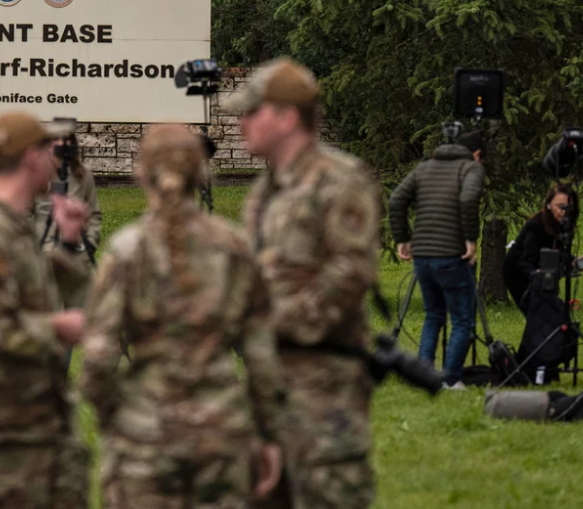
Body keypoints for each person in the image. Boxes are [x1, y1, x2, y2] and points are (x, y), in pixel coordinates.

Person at [79, 125, 284, 509]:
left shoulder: (127, 251)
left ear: (143, 174)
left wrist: (117, 417)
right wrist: (268, 433)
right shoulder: (234, 246)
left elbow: (97, 360)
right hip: (221, 434)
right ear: (201, 174)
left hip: (145, 436)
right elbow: (262, 356)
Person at [225, 58, 381, 509]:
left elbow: (352, 272)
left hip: (322, 393)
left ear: (286, 117)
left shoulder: (339, 180)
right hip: (266, 388)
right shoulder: (264, 192)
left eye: (251, 112)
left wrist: (276, 323)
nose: (241, 123)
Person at [0, 112, 92, 509]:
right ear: (31, 156)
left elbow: (28, 292)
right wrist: (58, 328)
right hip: (7, 437)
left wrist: (67, 241)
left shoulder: (14, 227)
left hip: (35, 423)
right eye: (48, 149)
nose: (55, 158)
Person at [388, 129, 486, 389]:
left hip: (422, 254)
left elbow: (397, 199)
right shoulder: (471, 168)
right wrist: (470, 238)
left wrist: (402, 238)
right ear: (477, 154)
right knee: (462, 319)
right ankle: (450, 380)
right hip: (451, 254)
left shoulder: (424, 167)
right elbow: (468, 198)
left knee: (433, 315)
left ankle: (423, 375)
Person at [504, 183, 583, 313]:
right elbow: (526, 260)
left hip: (544, 271)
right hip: (518, 271)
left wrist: (573, 262)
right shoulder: (536, 226)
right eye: (560, 207)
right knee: (539, 313)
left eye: (569, 208)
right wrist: (536, 274)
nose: (564, 212)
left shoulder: (564, 225)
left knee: (552, 312)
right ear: (548, 205)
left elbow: (559, 251)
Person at [33, 134, 102, 280]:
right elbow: (25, 215)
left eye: (65, 139)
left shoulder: (83, 175)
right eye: (56, 139)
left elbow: (94, 215)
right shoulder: (37, 175)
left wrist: (88, 245)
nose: (61, 144)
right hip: (42, 253)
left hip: (76, 254)